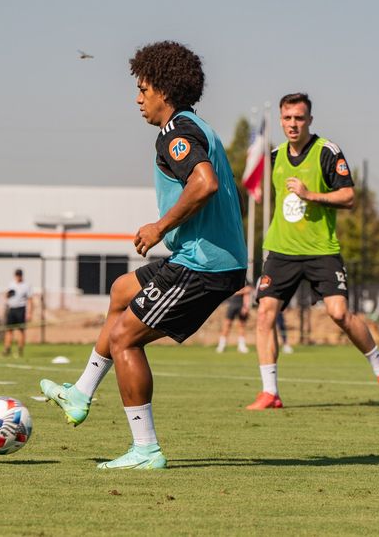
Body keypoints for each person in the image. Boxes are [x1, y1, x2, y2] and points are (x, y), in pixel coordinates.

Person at [39, 41, 247, 470]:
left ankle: (146, 449)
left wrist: (159, 227)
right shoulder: (195, 126)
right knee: (121, 290)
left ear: (164, 91)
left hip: (203, 265)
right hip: (199, 256)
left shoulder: (176, 132)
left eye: (143, 88)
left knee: (124, 339)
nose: (138, 98)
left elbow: (204, 184)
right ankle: (80, 393)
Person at [249, 93, 379, 409]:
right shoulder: (274, 157)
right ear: (280, 120)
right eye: (287, 118)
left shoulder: (327, 152)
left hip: (321, 249)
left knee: (339, 313)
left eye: (299, 118)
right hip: (281, 250)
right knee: (264, 315)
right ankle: (270, 391)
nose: (293, 124)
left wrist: (310, 195)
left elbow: (348, 197)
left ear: (309, 121)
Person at [2, 268, 33, 358]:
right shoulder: (11, 284)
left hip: (21, 309)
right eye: (16, 275)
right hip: (12, 309)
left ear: (21, 275)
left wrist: (29, 313)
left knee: (21, 331)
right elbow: (6, 296)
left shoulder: (26, 285)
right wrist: (8, 294)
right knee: (9, 330)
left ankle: (20, 350)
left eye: (19, 275)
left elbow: (30, 300)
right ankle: (7, 350)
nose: (18, 277)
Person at [216, 283, 252, 353]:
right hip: (232, 305)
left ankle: (241, 346)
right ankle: (222, 345)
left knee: (242, 325)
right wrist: (242, 291)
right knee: (227, 324)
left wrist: (246, 306)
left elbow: (248, 291)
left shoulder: (245, 280)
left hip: (241, 305)